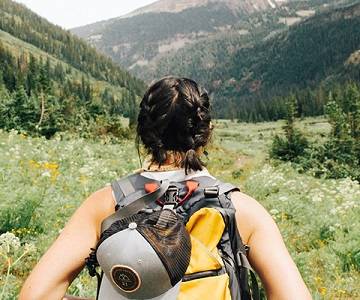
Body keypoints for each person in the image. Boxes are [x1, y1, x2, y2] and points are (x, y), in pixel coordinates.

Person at [19, 77, 312, 300]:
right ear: (206, 133)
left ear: (143, 132)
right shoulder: (241, 209)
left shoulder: (106, 203)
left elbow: (35, 294)